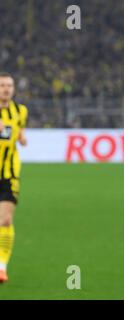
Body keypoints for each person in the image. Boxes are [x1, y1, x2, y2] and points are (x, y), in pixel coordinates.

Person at [0, 72, 28, 283]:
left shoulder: (20, 111)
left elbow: (19, 132)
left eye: (9, 85)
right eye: (2, 86)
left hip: (9, 174)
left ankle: (1, 266)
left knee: (6, 219)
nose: (6, 89)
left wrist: (21, 137)